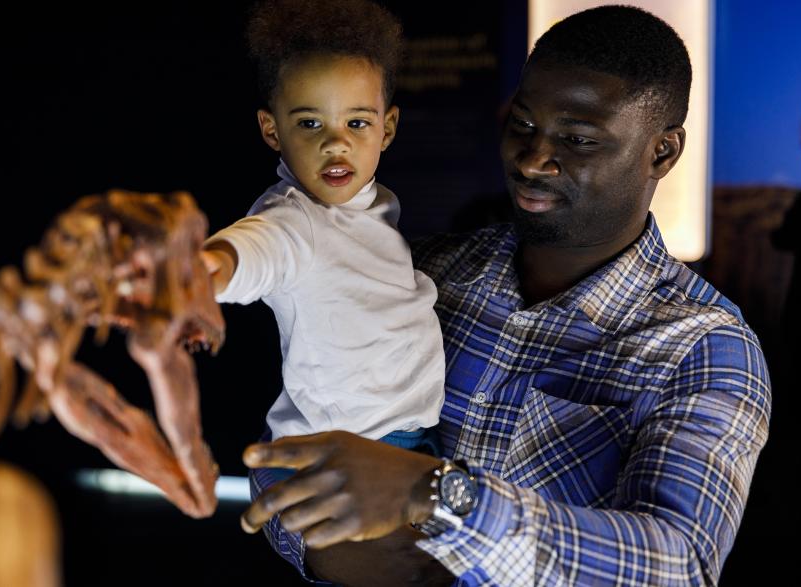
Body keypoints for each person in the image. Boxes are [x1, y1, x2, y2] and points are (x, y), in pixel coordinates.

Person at [240, 5, 772, 586]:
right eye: (522, 124)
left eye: (577, 139)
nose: (533, 159)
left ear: (662, 152)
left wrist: (434, 495)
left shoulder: (703, 346)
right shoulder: (425, 273)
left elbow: (680, 566)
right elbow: (285, 453)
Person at [201, 0, 445, 462]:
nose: (336, 142)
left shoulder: (372, 205)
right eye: (310, 123)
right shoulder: (296, 219)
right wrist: (205, 269)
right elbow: (256, 248)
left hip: (411, 440)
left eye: (357, 122)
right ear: (272, 131)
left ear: (387, 128)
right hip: (350, 454)